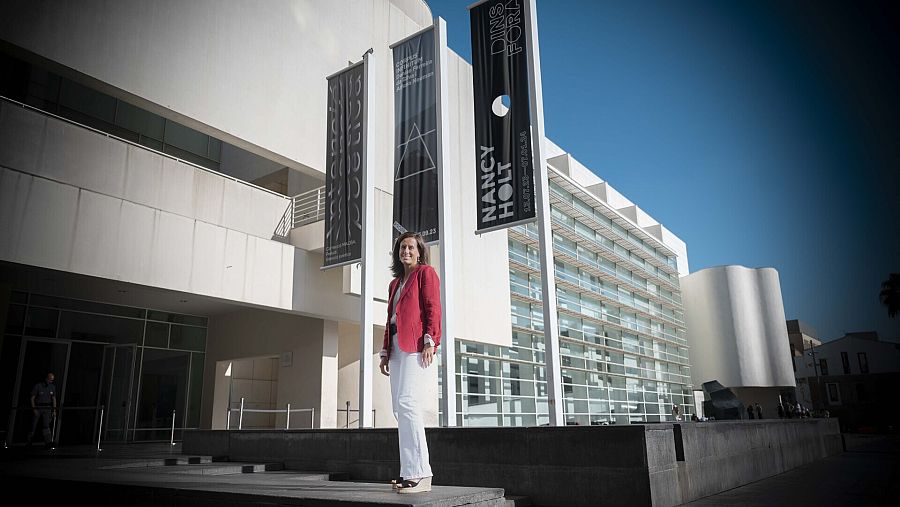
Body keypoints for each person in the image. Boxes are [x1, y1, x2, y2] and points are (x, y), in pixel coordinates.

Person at [378, 232, 441, 494]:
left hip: (416, 345)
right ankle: (409, 472)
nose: (406, 251)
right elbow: (389, 318)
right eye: (402, 247)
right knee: (399, 409)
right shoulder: (395, 283)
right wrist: (384, 351)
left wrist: (431, 341)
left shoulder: (425, 273)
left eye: (410, 247)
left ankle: (421, 474)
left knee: (409, 403)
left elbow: (432, 307)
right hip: (396, 346)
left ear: (419, 252)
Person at [27, 372, 57, 448]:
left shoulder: (52, 387)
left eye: (52, 380)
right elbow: (32, 398)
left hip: (47, 408)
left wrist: (54, 410)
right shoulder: (38, 386)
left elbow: (54, 399)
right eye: (50, 380)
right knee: (33, 426)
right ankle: (29, 442)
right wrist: (34, 409)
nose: (51, 381)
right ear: (46, 378)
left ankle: (48, 442)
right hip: (38, 407)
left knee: (46, 426)